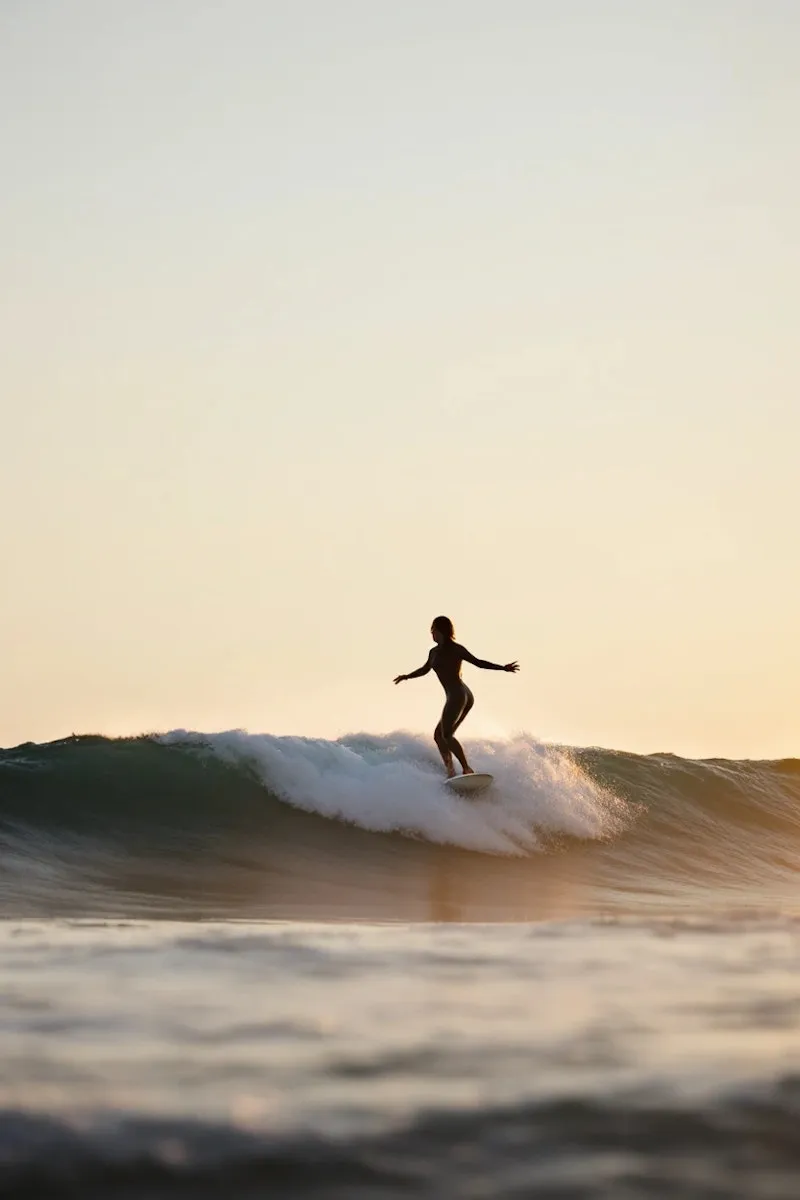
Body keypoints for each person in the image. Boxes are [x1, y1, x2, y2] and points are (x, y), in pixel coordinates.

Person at [394, 616, 519, 778]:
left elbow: (479, 663)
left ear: (442, 631)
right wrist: (407, 676)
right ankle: (451, 771)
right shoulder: (433, 652)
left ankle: (466, 768)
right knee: (439, 736)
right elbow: (425, 669)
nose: (432, 635)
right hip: (459, 695)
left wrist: (503, 668)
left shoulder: (456, 649)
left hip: (458, 695)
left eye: (434, 631)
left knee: (446, 735)